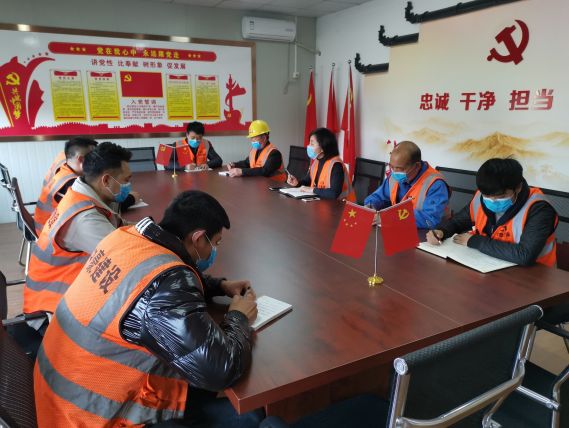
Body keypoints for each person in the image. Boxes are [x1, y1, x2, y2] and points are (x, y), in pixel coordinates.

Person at [34, 190, 263, 428]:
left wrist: (217, 285)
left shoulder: (126, 238)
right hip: (90, 418)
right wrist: (238, 317)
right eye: (215, 243)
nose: (214, 250)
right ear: (197, 238)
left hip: (61, 393)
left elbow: (155, 275)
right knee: (250, 416)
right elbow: (221, 370)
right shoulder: (165, 286)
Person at [24, 142, 135, 316]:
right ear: (106, 180)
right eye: (126, 180)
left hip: (71, 290)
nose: (129, 185)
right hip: (56, 309)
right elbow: (128, 257)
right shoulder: (85, 219)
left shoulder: (82, 195)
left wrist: (152, 229)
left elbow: (120, 226)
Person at [427, 158, 558, 266]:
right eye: (487, 196)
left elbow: (524, 255)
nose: (493, 201)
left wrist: (475, 241)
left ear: (518, 187)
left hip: (535, 275)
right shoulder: (482, 196)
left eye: (501, 196)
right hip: (489, 265)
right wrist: (442, 231)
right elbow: (458, 221)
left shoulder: (539, 208)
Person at [364, 141, 450, 228]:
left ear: (417, 166)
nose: (394, 172)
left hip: (426, 233)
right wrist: (370, 207)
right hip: (400, 229)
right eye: (391, 167)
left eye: (400, 169)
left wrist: (389, 217)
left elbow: (430, 219)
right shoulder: (394, 176)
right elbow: (378, 197)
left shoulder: (435, 184)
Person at [34, 138, 98, 234]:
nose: (96, 162)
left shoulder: (66, 160)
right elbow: (94, 207)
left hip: (44, 221)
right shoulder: (72, 184)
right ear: (81, 159)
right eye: (94, 159)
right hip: (48, 232)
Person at [287, 128, 355, 200]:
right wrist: (297, 183)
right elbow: (307, 180)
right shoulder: (317, 161)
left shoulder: (336, 165)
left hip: (343, 204)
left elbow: (334, 193)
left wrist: (313, 190)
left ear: (323, 147)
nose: (308, 146)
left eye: (312, 144)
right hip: (322, 202)